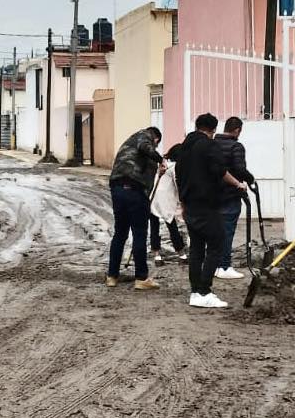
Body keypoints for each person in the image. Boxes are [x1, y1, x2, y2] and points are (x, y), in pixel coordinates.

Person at [176, 113, 247, 308]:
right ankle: (204, 291)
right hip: (206, 205)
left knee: (197, 249)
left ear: (197, 126)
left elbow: (179, 175)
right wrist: (238, 184)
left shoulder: (185, 147)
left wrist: (182, 203)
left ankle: (195, 293)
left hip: (189, 205)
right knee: (217, 243)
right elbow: (220, 171)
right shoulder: (209, 145)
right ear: (213, 129)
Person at [106, 126, 164, 291]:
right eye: (156, 144)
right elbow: (145, 147)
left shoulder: (129, 144)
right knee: (139, 233)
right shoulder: (144, 136)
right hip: (135, 190)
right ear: (156, 139)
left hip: (117, 188)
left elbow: (148, 177)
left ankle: (112, 276)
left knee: (120, 233)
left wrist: (158, 172)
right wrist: (161, 159)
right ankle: (141, 278)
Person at [215, 116, 255, 280]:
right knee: (227, 231)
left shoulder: (213, 144)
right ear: (237, 130)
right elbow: (239, 169)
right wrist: (250, 179)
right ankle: (224, 266)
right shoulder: (236, 146)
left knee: (215, 232)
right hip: (230, 195)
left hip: (212, 196)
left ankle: (214, 265)